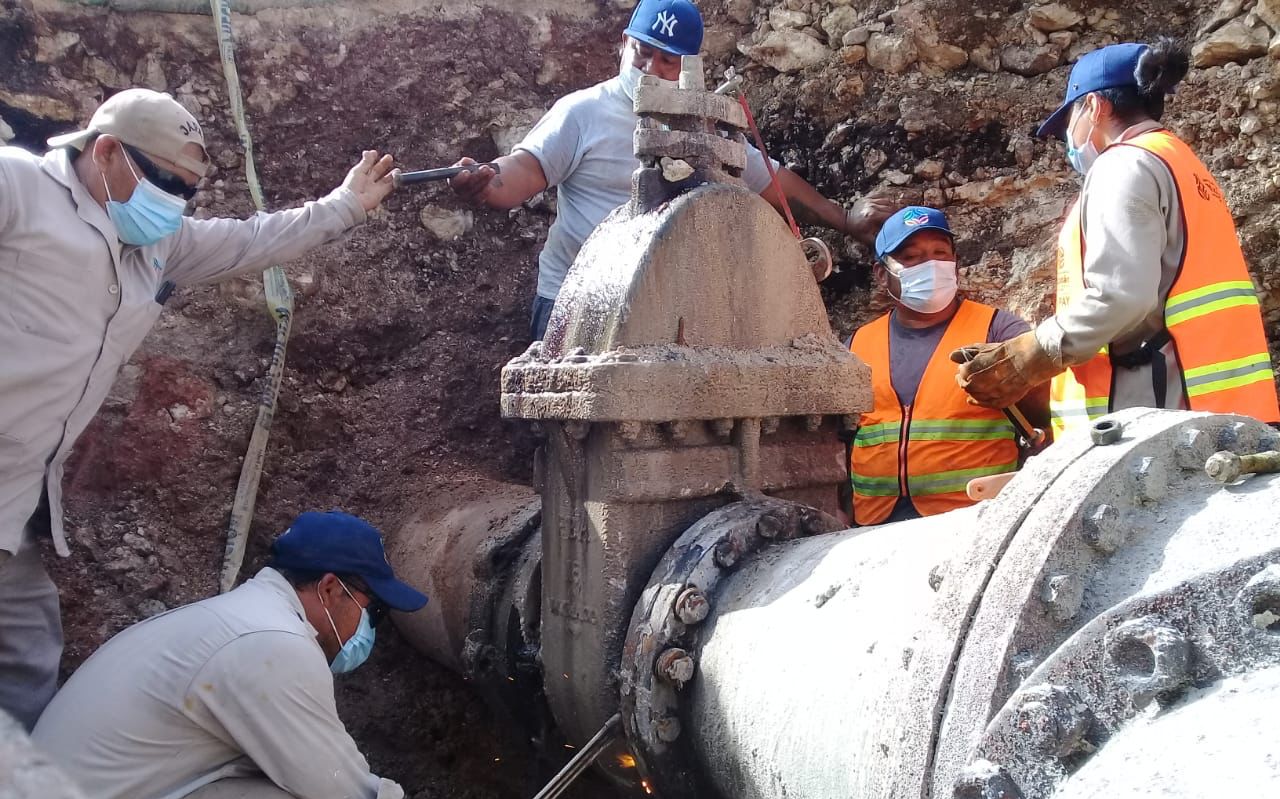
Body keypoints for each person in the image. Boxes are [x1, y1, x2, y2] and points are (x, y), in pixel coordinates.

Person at [0, 88, 400, 731]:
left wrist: (345, 206)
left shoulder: (156, 245)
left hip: (16, 502)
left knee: (25, 656)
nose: (176, 203)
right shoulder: (20, 188)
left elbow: (252, 240)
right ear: (105, 151)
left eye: (187, 191)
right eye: (166, 183)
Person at [32, 511, 509, 799]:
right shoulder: (272, 648)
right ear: (330, 589)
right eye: (374, 611)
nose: (371, 628)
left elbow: (296, 790)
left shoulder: (238, 624)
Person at [449, 0, 893, 340]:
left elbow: (774, 184)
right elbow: (521, 172)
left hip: (669, 306)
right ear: (623, 44)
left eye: (668, 60)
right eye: (643, 52)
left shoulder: (700, 124)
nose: (650, 69)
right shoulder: (582, 113)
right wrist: (486, 182)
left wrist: (845, 220)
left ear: (691, 68)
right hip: (576, 299)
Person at [952, 40, 1280, 435]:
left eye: (1068, 122)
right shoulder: (1181, 163)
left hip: (1161, 424)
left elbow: (1122, 295)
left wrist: (1033, 354)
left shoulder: (1122, 164)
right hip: (1220, 414)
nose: (1068, 141)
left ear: (1093, 106)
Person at [846, 207, 1048, 525]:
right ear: (881, 273)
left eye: (940, 253)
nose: (930, 265)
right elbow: (839, 441)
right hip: (873, 526)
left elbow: (1045, 417)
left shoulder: (998, 331)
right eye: (911, 256)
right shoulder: (857, 345)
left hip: (974, 519)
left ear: (955, 264)